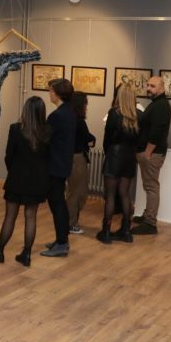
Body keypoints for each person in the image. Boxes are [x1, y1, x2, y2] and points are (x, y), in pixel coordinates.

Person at [0, 96, 52, 267]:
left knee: (10, 215)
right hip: (37, 181)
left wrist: (14, 171)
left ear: (25, 110)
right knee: (31, 216)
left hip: (17, 178)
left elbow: (9, 156)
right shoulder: (48, 131)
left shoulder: (16, 129)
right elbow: (48, 158)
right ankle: (27, 254)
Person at [97, 84, 141, 244]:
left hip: (114, 155)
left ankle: (106, 232)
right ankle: (126, 231)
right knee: (125, 194)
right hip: (129, 157)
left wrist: (108, 152)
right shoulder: (137, 115)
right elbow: (139, 140)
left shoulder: (114, 113)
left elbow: (107, 138)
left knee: (110, 195)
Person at [40, 78, 77, 258]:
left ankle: (62, 242)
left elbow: (45, 140)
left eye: (51, 90)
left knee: (57, 204)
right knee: (59, 203)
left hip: (55, 165)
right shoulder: (70, 112)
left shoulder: (56, 116)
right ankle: (61, 239)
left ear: (58, 93)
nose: (49, 93)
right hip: (63, 163)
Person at [131, 76, 171, 235]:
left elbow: (157, 131)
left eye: (152, 86)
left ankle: (150, 223)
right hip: (150, 152)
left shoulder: (161, 106)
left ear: (162, 88)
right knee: (149, 186)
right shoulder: (156, 104)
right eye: (148, 85)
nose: (148, 88)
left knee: (151, 187)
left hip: (152, 153)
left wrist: (148, 152)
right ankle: (147, 215)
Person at [66, 92, 96, 235]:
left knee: (74, 191)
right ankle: (71, 223)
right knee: (77, 192)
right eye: (85, 103)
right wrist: (93, 139)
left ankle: (71, 221)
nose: (87, 106)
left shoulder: (68, 118)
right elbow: (88, 137)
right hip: (77, 159)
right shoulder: (79, 121)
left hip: (70, 157)